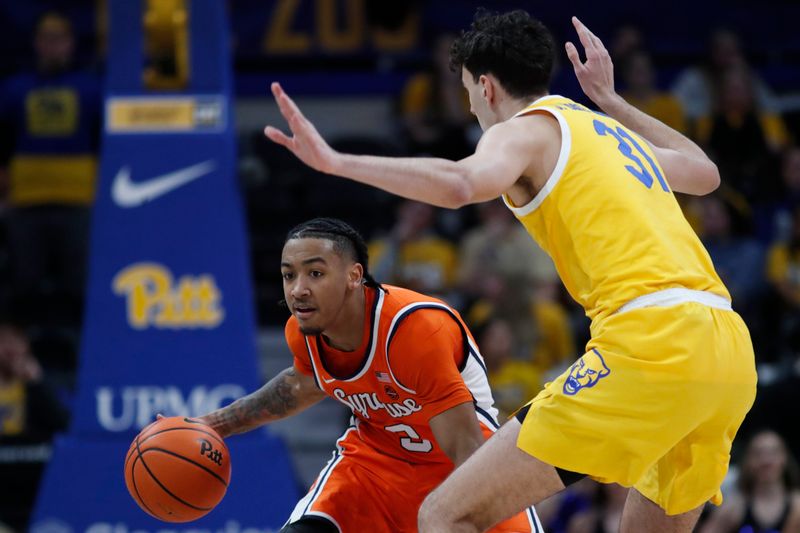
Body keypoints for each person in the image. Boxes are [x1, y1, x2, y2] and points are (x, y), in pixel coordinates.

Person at [263, 10, 757, 533]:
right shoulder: (607, 132)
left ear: (487, 85)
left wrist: (338, 162)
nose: (473, 109)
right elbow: (705, 173)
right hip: (727, 349)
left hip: (654, 341)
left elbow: (458, 185)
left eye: (470, 94)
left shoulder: (525, 131)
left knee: (444, 514)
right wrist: (611, 101)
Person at [198, 218, 540, 533]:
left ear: (353, 275)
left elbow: (466, 451)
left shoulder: (415, 331)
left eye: (315, 274)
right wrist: (214, 425)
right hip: (372, 468)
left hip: (461, 467)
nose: (298, 289)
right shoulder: (303, 331)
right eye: (289, 275)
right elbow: (302, 383)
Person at [699, 429, 800, 533]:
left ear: (784, 457)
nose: (766, 460)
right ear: (748, 461)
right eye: (758, 453)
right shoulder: (734, 507)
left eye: (773, 452)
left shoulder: (797, 505)